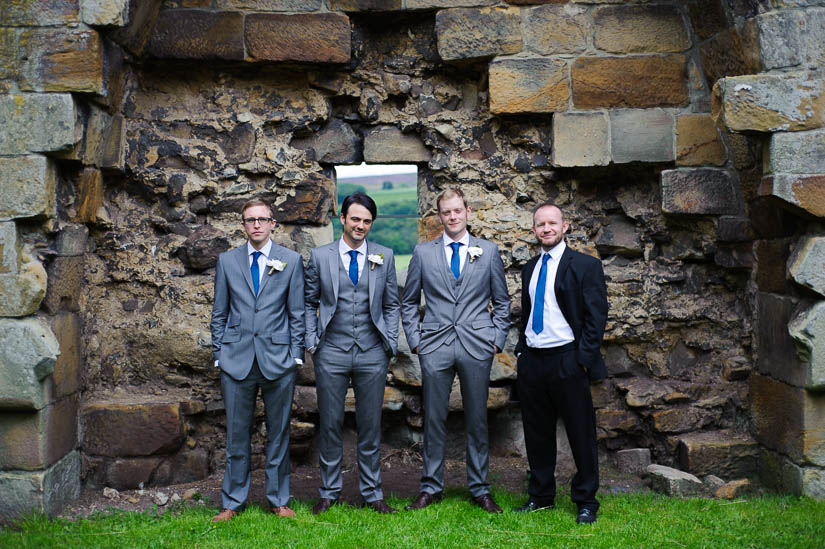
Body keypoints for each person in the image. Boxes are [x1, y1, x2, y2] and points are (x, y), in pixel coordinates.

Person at [401, 187, 510, 513]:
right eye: (446, 212)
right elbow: (408, 303)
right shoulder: (424, 253)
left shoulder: (487, 251)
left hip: (477, 345)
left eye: (457, 211)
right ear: (439, 216)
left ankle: (480, 488)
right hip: (434, 345)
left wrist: (496, 338)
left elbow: (502, 302)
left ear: (468, 212)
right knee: (433, 418)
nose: (452, 217)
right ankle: (431, 488)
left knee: (477, 419)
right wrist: (416, 340)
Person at [304, 192, 400, 515]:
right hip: (330, 350)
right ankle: (330, 492)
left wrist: (391, 341)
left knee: (370, 425)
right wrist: (311, 340)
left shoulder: (384, 255)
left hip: (373, 351)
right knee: (330, 424)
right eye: (355, 219)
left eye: (367, 221)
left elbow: (391, 303)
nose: (360, 226)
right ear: (342, 219)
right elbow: (309, 302)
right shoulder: (321, 257)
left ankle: (372, 492)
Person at [210, 197, 305, 522]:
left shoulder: (290, 260)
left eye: (262, 219)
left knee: (278, 433)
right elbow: (219, 312)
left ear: (273, 223)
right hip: (236, 360)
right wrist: (219, 353)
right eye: (250, 220)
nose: (256, 225)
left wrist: (295, 354)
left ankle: (278, 500)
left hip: (278, 360)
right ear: (243, 225)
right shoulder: (227, 261)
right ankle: (233, 502)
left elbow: (297, 312)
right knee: (237, 435)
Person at [513, 203, 608, 524]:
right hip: (533, 362)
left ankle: (586, 500)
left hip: (567, 359)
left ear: (564, 226)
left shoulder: (584, 266)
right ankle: (541, 496)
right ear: (534, 230)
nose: (546, 229)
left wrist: (582, 359)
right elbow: (528, 313)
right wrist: (522, 352)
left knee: (580, 434)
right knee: (537, 434)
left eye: (552, 223)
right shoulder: (530, 267)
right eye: (540, 224)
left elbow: (596, 319)